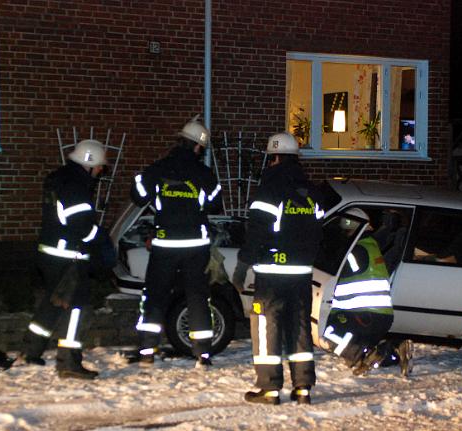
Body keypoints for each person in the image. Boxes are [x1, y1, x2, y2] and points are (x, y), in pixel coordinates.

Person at [233, 132, 324, 405]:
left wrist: (242, 266)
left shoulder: (269, 190)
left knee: (265, 325)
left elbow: (257, 232)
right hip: (301, 273)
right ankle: (303, 387)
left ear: (273, 158)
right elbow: (319, 233)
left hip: (272, 273)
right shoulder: (311, 193)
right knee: (299, 328)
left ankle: (269, 388)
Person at [127, 117, 222, 368]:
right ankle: (203, 353)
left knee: (155, 296)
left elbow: (137, 195)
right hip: (195, 246)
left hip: (165, 245)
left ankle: (147, 349)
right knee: (198, 297)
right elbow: (215, 203)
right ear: (198, 147)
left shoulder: (159, 169)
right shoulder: (204, 174)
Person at [21, 139, 109, 379]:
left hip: (51, 253)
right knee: (77, 307)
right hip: (67, 257)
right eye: (99, 166)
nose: (101, 170)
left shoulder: (60, 178)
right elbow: (81, 225)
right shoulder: (75, 185)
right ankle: (68, 362)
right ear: (89, 163)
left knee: (53, 301)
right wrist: (102, 238)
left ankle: (31, 350)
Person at [321, 208, 402, 376]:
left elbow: (335, 272)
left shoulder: (355, 251)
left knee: (327, 332)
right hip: (378, 317)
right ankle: (392, 352)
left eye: (347, 231)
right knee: (354, 337)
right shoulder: (371, 246)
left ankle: (362, 356)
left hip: (364, 316)